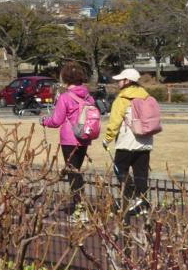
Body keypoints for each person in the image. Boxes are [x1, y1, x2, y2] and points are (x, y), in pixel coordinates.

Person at [40, 62, 96, 220]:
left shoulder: (65, 97)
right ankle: (81, 206)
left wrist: (44, 121)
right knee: (77, 172)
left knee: (73, 174)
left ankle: (79, 210)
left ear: (65, 78)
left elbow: (56, 121)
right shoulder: (88, 96)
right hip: (84, 138)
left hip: (69, 140)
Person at [102, 68, 154, 215]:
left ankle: (130, 198)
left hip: (126, 142)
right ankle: (142, 202)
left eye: (120, 80)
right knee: (141, 173)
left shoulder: (122, 99)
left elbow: (114, 123)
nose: (118, 82)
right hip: (145, 142)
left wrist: (107, 139)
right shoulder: (146, 96)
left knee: (120, 170)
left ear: (127, 81)